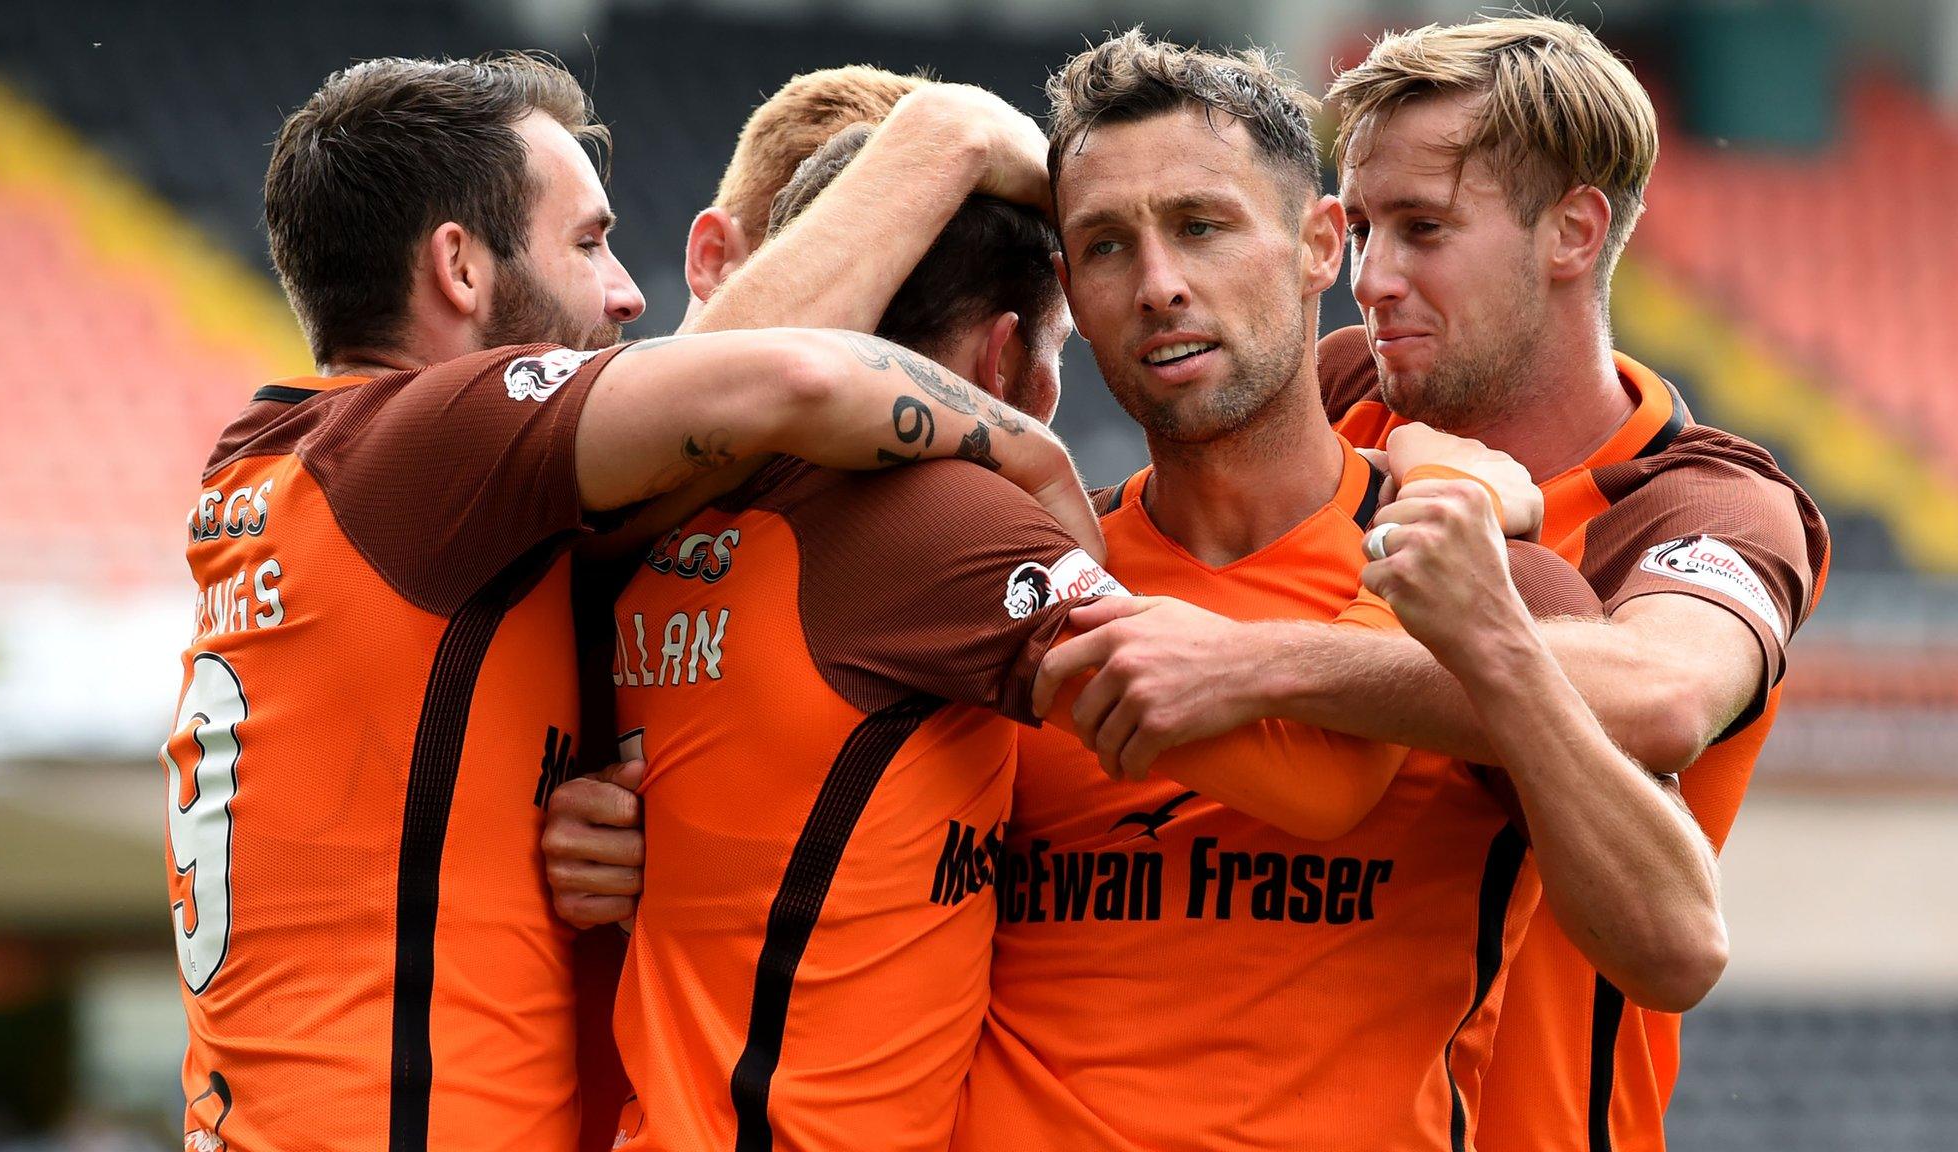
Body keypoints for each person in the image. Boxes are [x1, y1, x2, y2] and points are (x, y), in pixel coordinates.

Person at [547, 33, 1662, 1149]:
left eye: (1200, 225)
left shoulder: (1494, 581)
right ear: (1064, 299)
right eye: (1105, 245)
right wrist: (665, 838)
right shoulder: (998, 568)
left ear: (1320, 242)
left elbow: (1672, 944)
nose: (1161, 283)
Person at [163, 53, 1095, 1152]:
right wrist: (1032, 450)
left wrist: (594, 819)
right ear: (459, 270)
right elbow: (786, 380)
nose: (629, 295)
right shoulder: (424, 446)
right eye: (587, 242)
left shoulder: (289, 464)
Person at [1037, 17, 1829, 1152]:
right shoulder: (1350, 391)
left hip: (1541, 1120)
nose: (1372, 278)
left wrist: (1256, 663)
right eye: (1357, 229)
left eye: (1421, 231)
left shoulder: (1700, 501)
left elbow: (1657, 696)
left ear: (1570, 230)